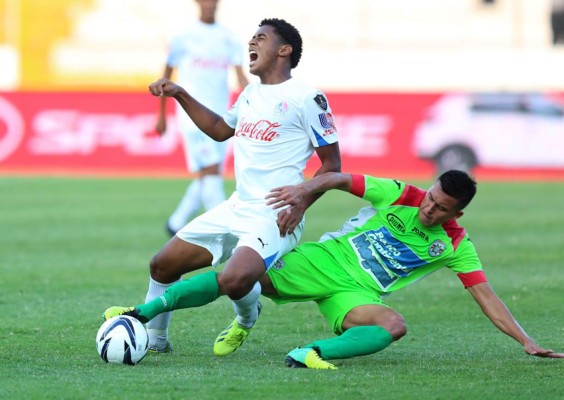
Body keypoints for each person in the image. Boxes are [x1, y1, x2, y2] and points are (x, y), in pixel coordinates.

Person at [105, 170, 563, 368]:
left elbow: (486, 295)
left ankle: (309, 353)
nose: (428, 208)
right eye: (429, 197)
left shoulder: (457, 245)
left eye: (441, 208)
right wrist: (304, 193)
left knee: (392, 325)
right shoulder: (399, 194)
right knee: (236, 278)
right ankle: (142, 314)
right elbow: (342, 179)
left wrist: (526, 340)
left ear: (457, 211)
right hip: (323, 261)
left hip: (356, 292)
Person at [105, 18, 341, 355]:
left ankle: (245, 319)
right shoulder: (249, 94)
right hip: (238, 205)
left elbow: (332, 165)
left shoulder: (307, 97)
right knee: (162, 265)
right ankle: (156, 340)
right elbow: (219, 129)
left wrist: (300, 202)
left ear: (284, 50)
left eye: (261, 38)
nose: (252, 44)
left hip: (275, 214)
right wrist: (180, 94)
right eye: (251, 39)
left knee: (234, 280)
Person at [157, 0, 248, 236]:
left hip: (221, 118)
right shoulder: (183, 37)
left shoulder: (229, 38)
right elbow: (165, 78)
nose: (209, 4)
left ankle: (176, 223)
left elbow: (240, 77)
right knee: (210, 170)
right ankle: (225, 229)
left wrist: (255, 103)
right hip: (191, 116)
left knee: (210, 173)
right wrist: (162, 115)